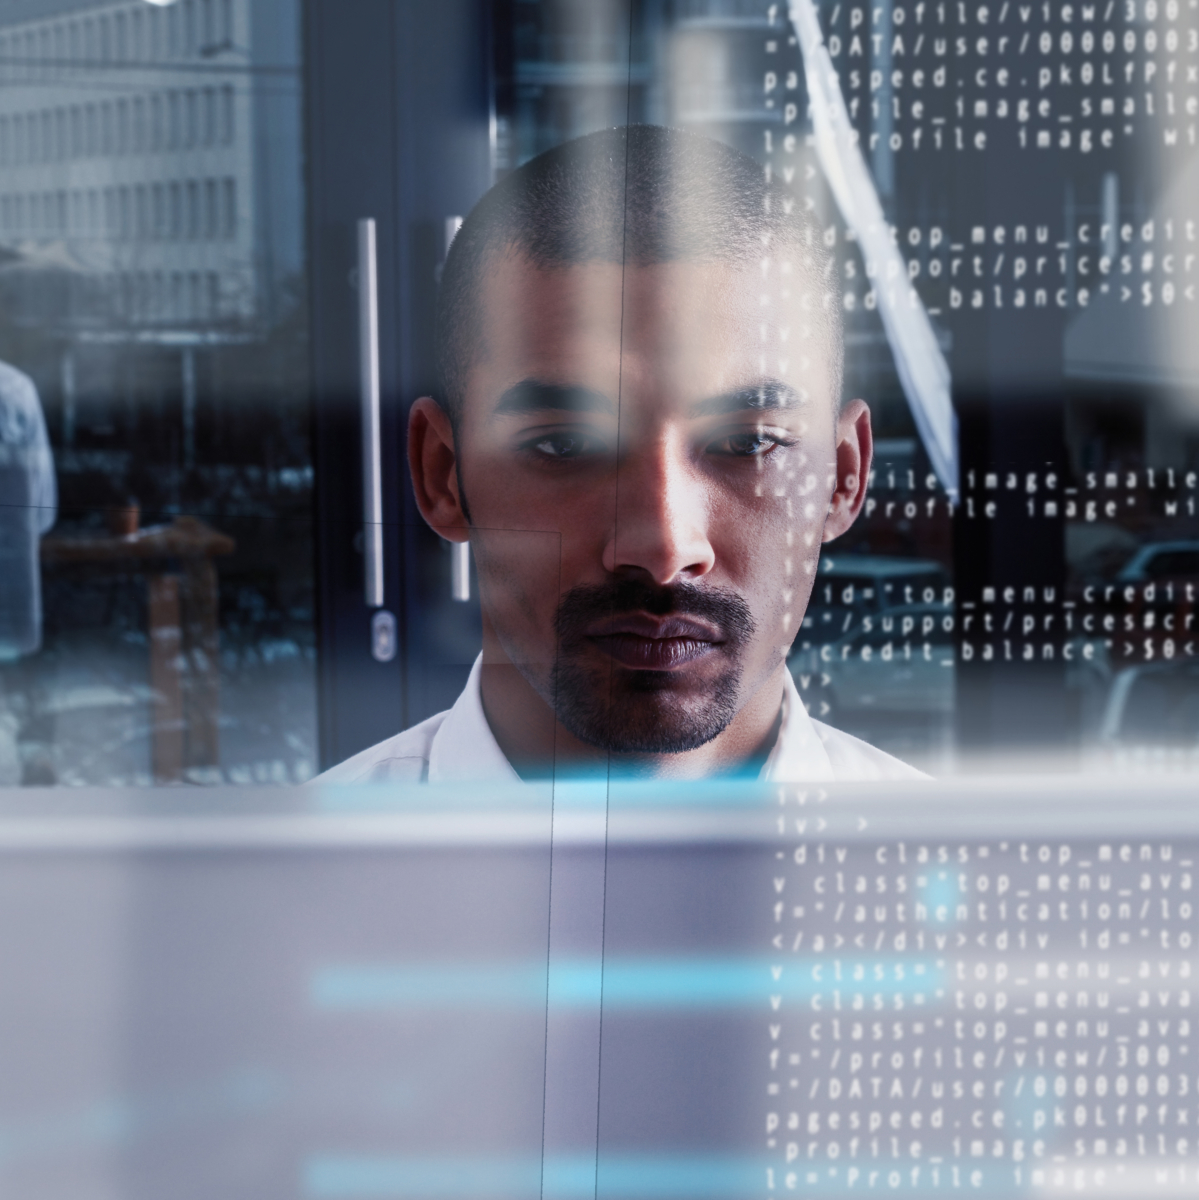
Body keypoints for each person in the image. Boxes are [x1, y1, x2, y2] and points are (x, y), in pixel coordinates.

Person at [318, 126, 924, 783]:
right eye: (566, 444)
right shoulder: (274, 885)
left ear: (842, 478)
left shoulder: (974, 875)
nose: (663, 549)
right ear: (441, 474)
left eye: (749, 442)